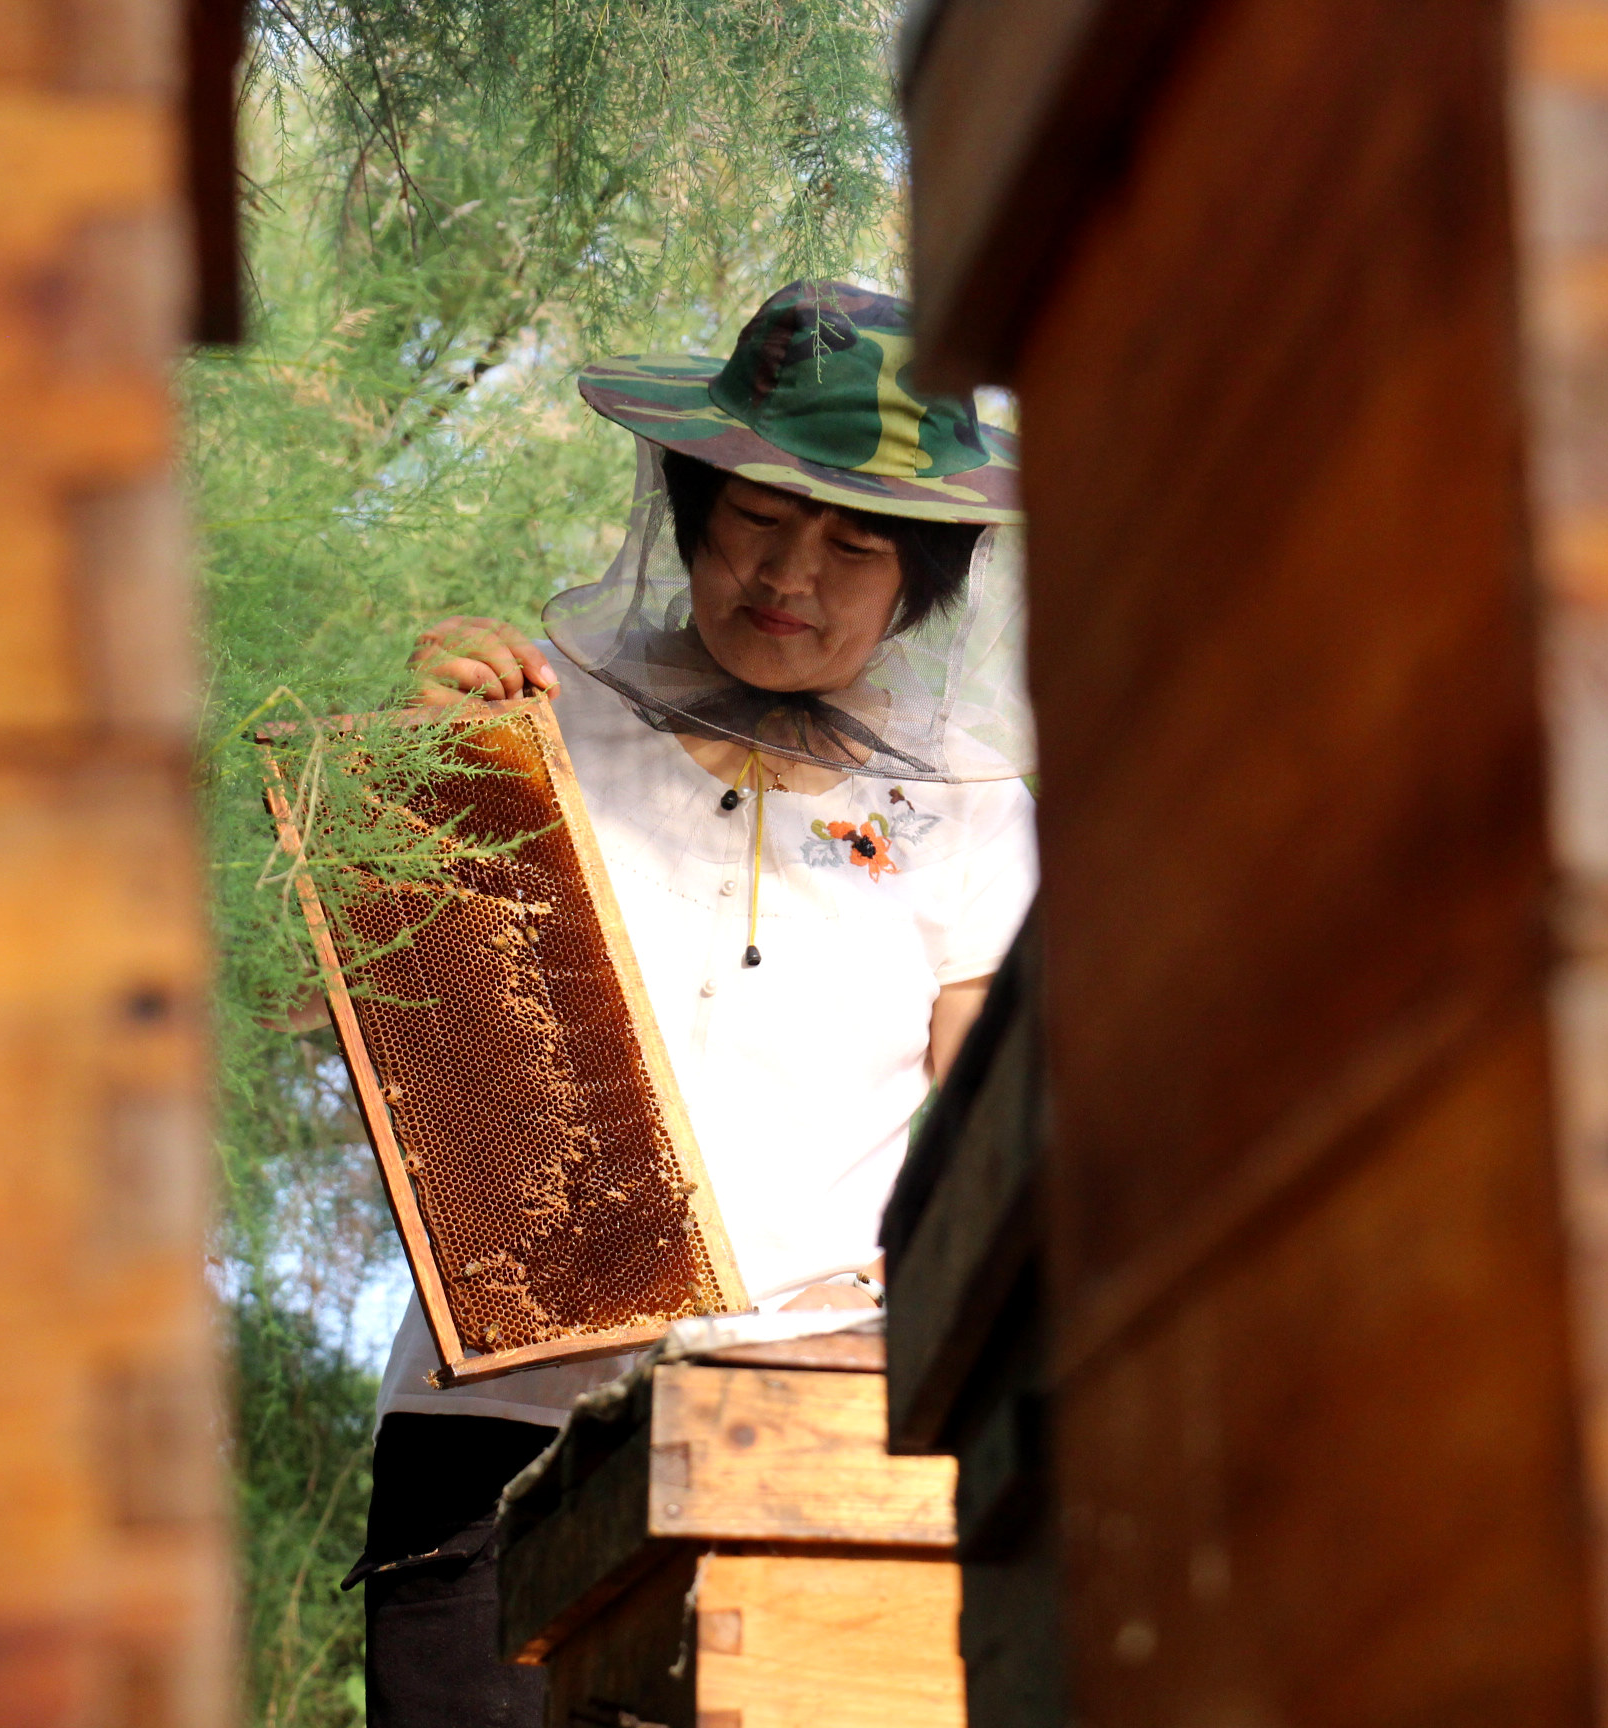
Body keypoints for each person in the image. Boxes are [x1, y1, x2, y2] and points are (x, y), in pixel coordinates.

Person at [346, 281, 1037, 1726]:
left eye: (855, 545)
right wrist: (403, 785)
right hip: (495, 1425)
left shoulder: (969, 812)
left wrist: (919, 1340)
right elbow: (337, 1006)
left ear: (925, 574)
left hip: (805, 1427)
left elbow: (997, 1153)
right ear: (689, 503)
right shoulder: (533, 716)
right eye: (757, 518)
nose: (790, 574)